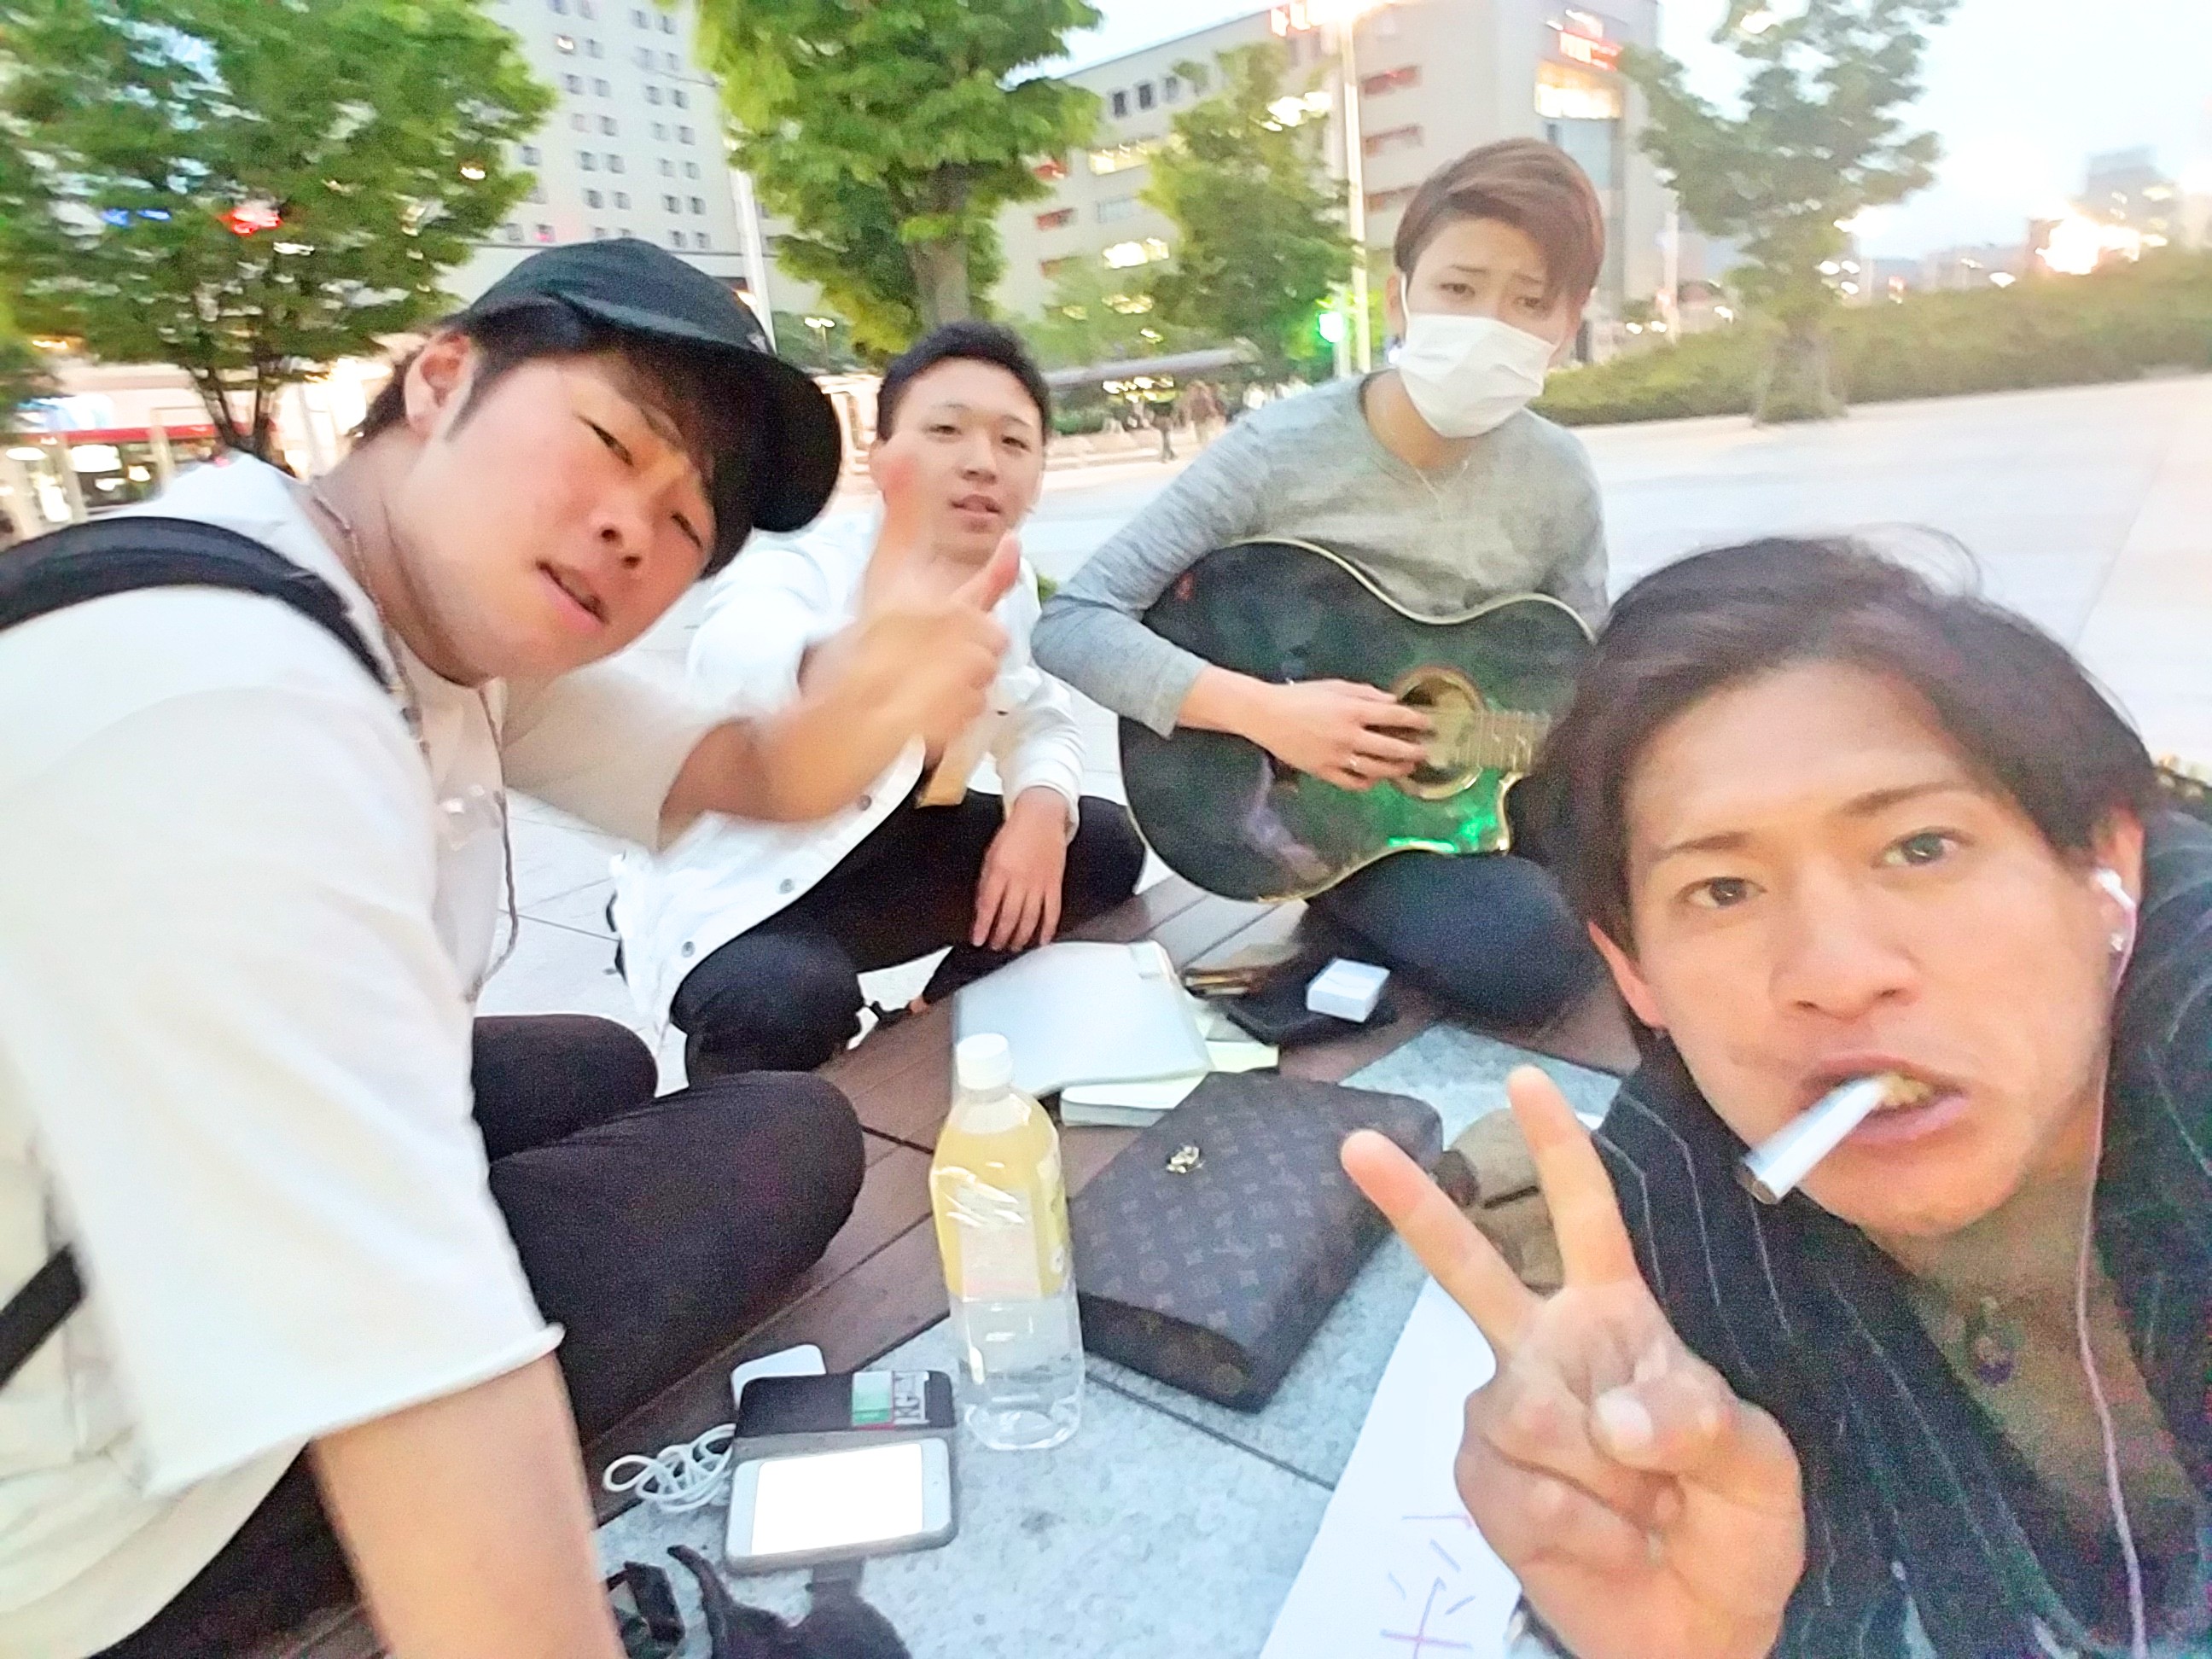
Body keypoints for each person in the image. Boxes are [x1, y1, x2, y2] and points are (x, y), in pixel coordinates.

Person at [0, 239, 1017, 1658]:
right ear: (441, 378)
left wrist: (866, 689)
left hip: (92, 1200)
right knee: (787, 1137)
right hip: (77, 1519)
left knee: (596, 1060)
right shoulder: (228, 713)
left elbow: (746, 766)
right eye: (611, 442)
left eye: (686, 523)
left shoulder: (359, 588)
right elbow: (423, 1395)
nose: (633, 529)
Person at [1345, 538, 2212, 1658]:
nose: (1838, 974)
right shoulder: (1681, 1208)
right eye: (1723, 889)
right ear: (1634, 970)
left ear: (2108, 870)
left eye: (1921, 846)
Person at [1033, 139, 1610, 1032]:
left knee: (1647, 881)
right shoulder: (1277, 453)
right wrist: (1269, 715)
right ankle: (1345, 895)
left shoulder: (1559, 476)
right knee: (1536, 955)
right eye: (1459, 289)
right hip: (1318, 805)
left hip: (1488, 781)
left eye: (1529, 302)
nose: (1490, 324)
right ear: (1400, 298)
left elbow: (1585, 673)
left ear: (1567, 326)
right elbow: (1073, 621)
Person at [612, 321, 1146, 1082]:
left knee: (1100, 846)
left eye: (1013, 442)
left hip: (888, 856)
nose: (981, 462)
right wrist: (851, 663)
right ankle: (735, 1128)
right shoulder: (802, 562)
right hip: (747, 880)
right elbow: (736, 649)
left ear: (1034, 478)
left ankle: (933, 1023)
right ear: (883, 457)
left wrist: (1037, 811)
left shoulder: (1005, 582)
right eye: (946, 431)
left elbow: (1037, 716)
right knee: (787, 998)